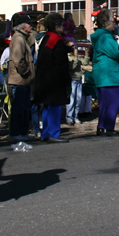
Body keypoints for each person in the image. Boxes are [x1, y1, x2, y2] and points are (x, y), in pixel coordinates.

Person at [90, 9, 119, 135]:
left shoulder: (101, 36)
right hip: (108, 74)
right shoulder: (105, 37)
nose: (115, 23)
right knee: (113, 102)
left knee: (104, 103)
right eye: (113, 21)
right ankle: (108, 127)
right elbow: (117, 52)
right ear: (105, 23)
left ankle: (102, 127)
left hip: (103, 74)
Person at [33, 13, 73, 142]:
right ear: (56, 26)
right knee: (55, 108)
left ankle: (45, 133)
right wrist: (66, 81)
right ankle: (53, 133)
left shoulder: (45, 38)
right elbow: (60, 63)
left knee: (47, 107)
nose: (63, 27)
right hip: (55, 80)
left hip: (44, 79)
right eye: (62, 25)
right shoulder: (57, 40)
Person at [7, 14, 35, 142]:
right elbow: (18, 59)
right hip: (19, 80)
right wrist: (26, 72)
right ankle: (16, 133)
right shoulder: (18, 39)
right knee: (18, 109)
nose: (31, 26)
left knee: (24, 108)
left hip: (23, 80)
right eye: (29, 24)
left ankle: (23, 132)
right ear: (22, 26)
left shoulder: (22, 38)